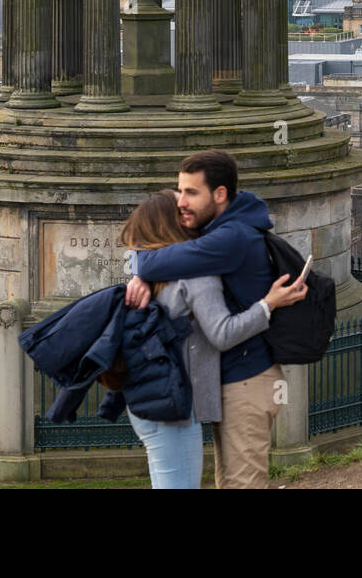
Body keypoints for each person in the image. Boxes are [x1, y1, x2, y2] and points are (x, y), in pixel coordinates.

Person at [118, 190, 306, 489]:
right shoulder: (195, 274)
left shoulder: (147, 273)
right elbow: (222, 334)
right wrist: (267, 305)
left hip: (145, 400)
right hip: (174, 407)